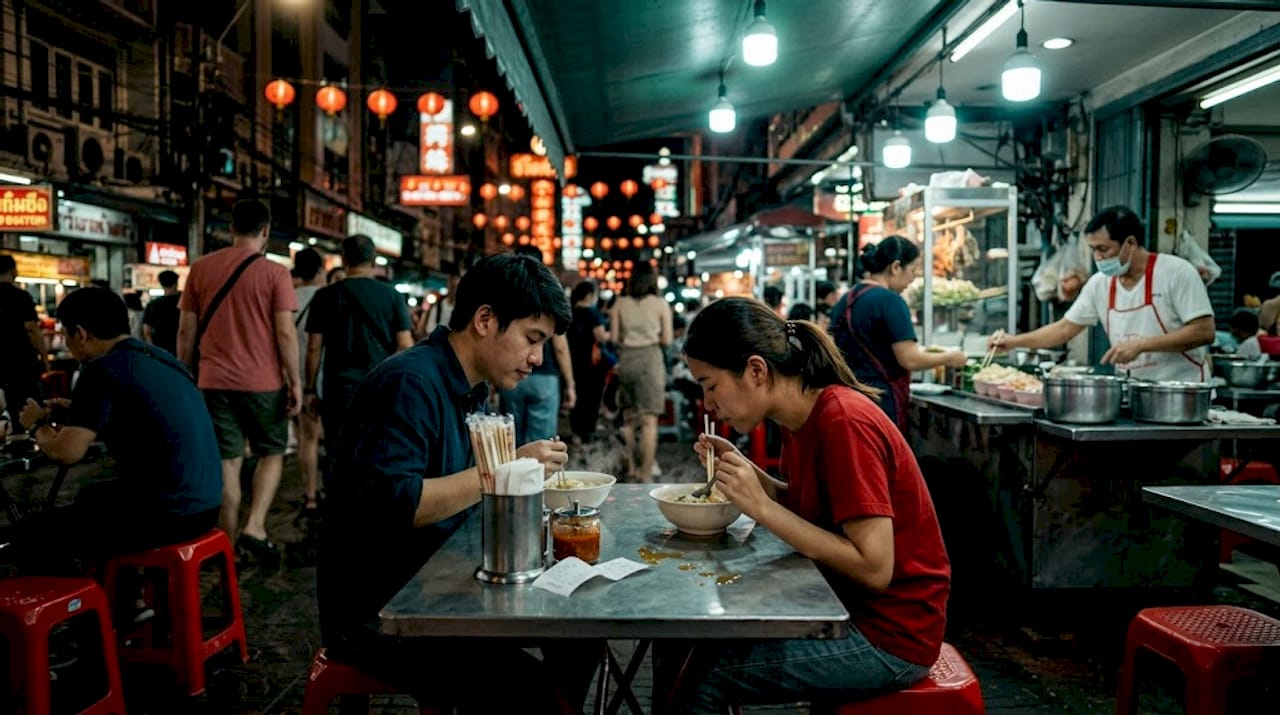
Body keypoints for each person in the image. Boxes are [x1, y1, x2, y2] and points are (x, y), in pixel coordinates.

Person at [318, 253, 593, 712]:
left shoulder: (470, 388)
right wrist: (507, 469)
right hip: (386, 611)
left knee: (581, 642)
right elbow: (396, 504)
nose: (537, 358)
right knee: (534, 696)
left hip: (442, 583)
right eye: (532, 338)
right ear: (485, 319)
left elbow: (462, 498)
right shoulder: (409, 383)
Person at [670, 297, 950, 713]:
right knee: (678, 647)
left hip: (889, 636)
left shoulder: (843, 422)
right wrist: (753, 478)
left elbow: (874, 568)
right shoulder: (800, 417)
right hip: (843, 607)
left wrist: (761, 508)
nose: (708, 405)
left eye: (711, 386)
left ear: (756, 370)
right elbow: (816, 508)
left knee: (706, 680)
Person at [14, 287, 221, 575]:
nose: (67, 342)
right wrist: (77, 411)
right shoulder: (162, 358)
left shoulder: (101, 369)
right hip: (208, 507)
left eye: (66, 333)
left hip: (168, 514)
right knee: (94, 498)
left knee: (33, 532)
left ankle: (84, 609)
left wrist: (36, 424)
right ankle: (127, 600)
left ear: (81, 333)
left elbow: (66, 452)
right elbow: (139, 413)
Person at [177, 199, 300, 560]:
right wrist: (295, 381)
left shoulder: (200, 269)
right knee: (272, 452)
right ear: (265, 231)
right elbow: (285, 334)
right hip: (264, 384)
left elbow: (186, 331)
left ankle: (225, 547)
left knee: (227, 462)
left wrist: (185, 373)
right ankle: (255, 525)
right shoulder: (276, 274)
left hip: (213, 382)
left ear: (231, 228)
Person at [991, 206, 1214, 382]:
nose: (1097, 257)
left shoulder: (1176, 273)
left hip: (1183, 394)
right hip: (1133, 393)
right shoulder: (1100, 284)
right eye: (1093, 250)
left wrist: (1142, 344)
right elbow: (1065, 328)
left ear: (1130, 243)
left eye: (1103, 249)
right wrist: (1013, 342)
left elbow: (1204, 332)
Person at [831, 236, 966, 431]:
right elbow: (909, 359)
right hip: (880, 403)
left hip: (848, 401)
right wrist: (950, 357)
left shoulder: (846, 299)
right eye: (912, 271)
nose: (912, 280)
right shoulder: (890, 301)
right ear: (895, 267)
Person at [305, 235, 414, 473]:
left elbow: (314, 347)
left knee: (338, 452)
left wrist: (310, 389)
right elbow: (405, 345)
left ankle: (339, 504)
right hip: (381, 388)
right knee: (377, 449)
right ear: (374, 260)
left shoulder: (325, 296)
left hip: (338, 389)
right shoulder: (392, 296)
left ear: (343, 259)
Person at [499, 246, 575, 444]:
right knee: (540, 446)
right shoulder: (548, 296)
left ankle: (514, 474)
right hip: (544, 378)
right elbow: (560, 346)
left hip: (509, 375)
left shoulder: (506, 294)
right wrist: (570, 384)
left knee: (511, 440)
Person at [610, 264, 672, 482]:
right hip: (650, 359)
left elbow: (614, 337)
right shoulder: (660, 304)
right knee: (649, 421)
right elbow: (667, 339)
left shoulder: (619, 304)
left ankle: (632, 468)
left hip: (627, 359)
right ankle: (645, 473)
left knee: (628, 418)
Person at [292, 249, 326, 518]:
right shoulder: (328, 297)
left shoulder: (286, 298)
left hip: (299, 381)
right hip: (328, 380)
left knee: (308, 439)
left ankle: (310, 495)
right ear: (320, 271)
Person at [0, 253, 48, 429]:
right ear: (13, 271)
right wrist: (44, 358)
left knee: (7, 410)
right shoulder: (21, 297)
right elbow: (32, 330)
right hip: (21, 362)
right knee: (30, 407)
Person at [567, 280, 610, 443]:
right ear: (590, 295)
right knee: (591, 397)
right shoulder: (593, 313)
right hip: (592, 364)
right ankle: (587, 431)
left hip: (573, 361)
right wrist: (610, 335)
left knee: (576, 396)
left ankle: (576, 430)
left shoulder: (570, 313)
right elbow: (600, 336)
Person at [142, 270, 182, 355]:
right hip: (180, 349)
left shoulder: (153, 305)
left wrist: (153, 351)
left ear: (161, 284)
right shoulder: (184, 303)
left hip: (161, 351)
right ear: (176, 284)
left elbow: (147, 332)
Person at [415, 269, 462, 340]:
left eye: (457, 287)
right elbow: (426, 331)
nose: (454, 290)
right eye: (452, 286)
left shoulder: (463, 309)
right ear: (448, 285)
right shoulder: (437, 305)